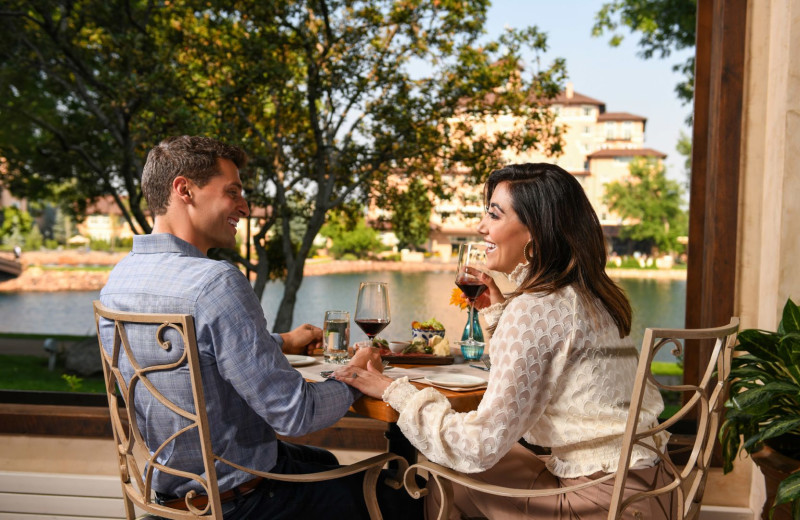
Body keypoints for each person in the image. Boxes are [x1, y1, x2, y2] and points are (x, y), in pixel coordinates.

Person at [98, 136, 421, 520]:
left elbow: (192, 354)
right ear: (184, 189)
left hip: (168, 491)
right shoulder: (215, 281)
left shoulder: (118, 281)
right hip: (238, 501)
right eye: (231, 192)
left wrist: (284, 341)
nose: (245, 207)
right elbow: (294, 415)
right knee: (401, 494)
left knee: (321, 461)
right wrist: (358, 373)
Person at [335, 163, 676, 519]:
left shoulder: (536, 307)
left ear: (535, 233)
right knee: (471, 462)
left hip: (597, 503)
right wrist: (502, 313)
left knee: (448, 466)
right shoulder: (596, 295)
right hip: (651, 487)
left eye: (494, 215)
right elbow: (544, 368)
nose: (481, 226)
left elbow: (478, 446)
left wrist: (393, 390)